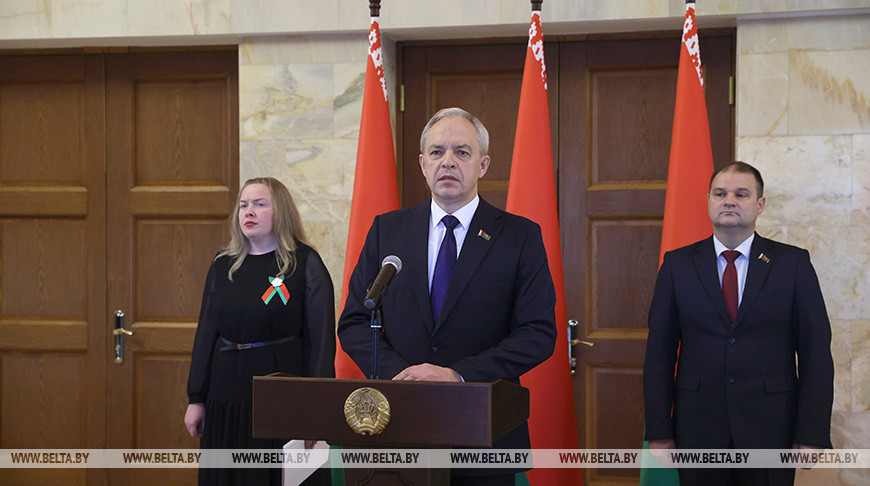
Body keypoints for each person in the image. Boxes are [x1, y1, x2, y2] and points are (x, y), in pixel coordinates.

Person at [337, 107, 557, 485]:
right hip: (400, 424)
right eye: (437, 152)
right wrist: (402, 377)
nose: (448, 162)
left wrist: (457, 375)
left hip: (485, 429)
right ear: (423, 164)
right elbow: (356, 321)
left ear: (483, 165)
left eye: (462, 152)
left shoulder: (519, 237)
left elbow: (537, 333)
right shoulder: (387, 231)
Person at [643, 161, 834, 485]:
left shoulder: (793, 263)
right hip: (698, 429)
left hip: (772, 429)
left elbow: (815, 352)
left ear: (759, 204)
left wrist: (812, 432)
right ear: (709, 201)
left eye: (741, 194)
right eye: (720, 193)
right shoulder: (677, 265)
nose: (729, 200)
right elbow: (659, 354)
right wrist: (660, 431)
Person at [184, 177, 335, 486]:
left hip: (280, 397)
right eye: (243, 205)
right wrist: (195, 398)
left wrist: (315, 410)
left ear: (280, 212)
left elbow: (321, 343)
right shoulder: (223, 264)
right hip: (225, 394)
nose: (248, 211)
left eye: (259, 204)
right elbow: (206, 333)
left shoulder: (304, 264)